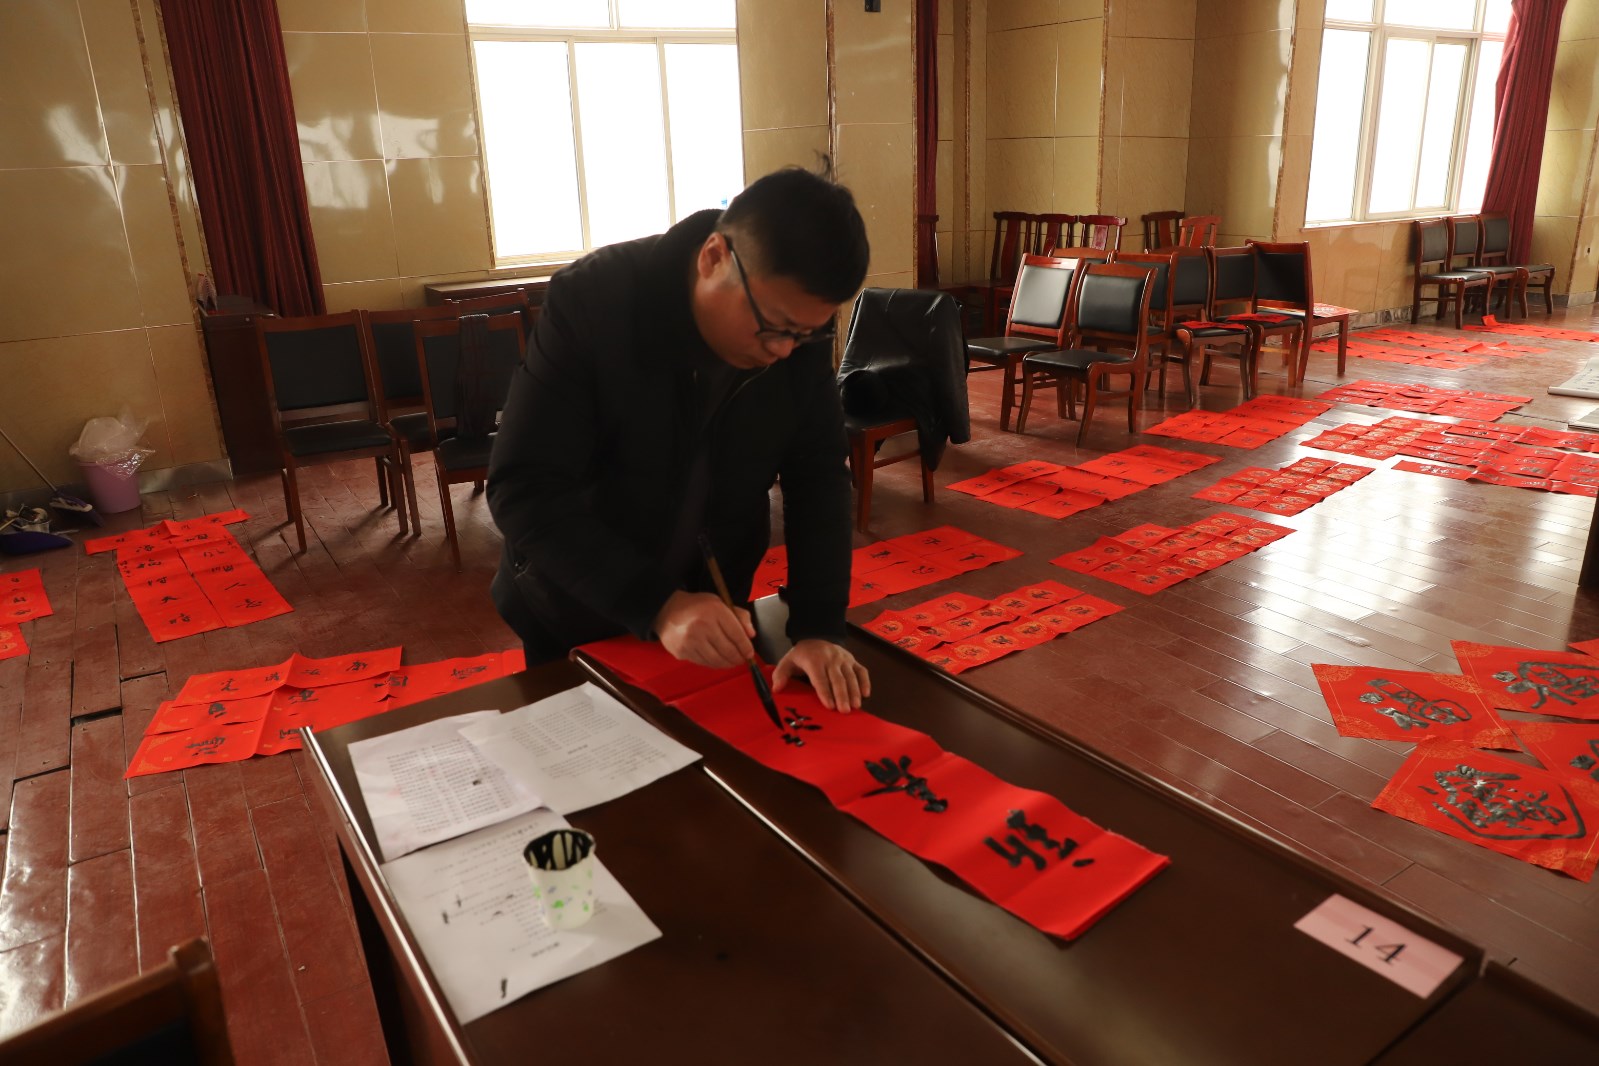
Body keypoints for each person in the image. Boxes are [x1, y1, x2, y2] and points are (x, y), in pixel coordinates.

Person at [487, 166, 872, 711]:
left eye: (805, 334)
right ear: (714, 257)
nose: (784, 351)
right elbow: (523, 486)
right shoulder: (594, 302)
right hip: (579, 602)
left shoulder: (796, 335)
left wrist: (818, 627)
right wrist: (657, 604)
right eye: (774, 326)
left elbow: (819, 477)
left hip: (713, 608)